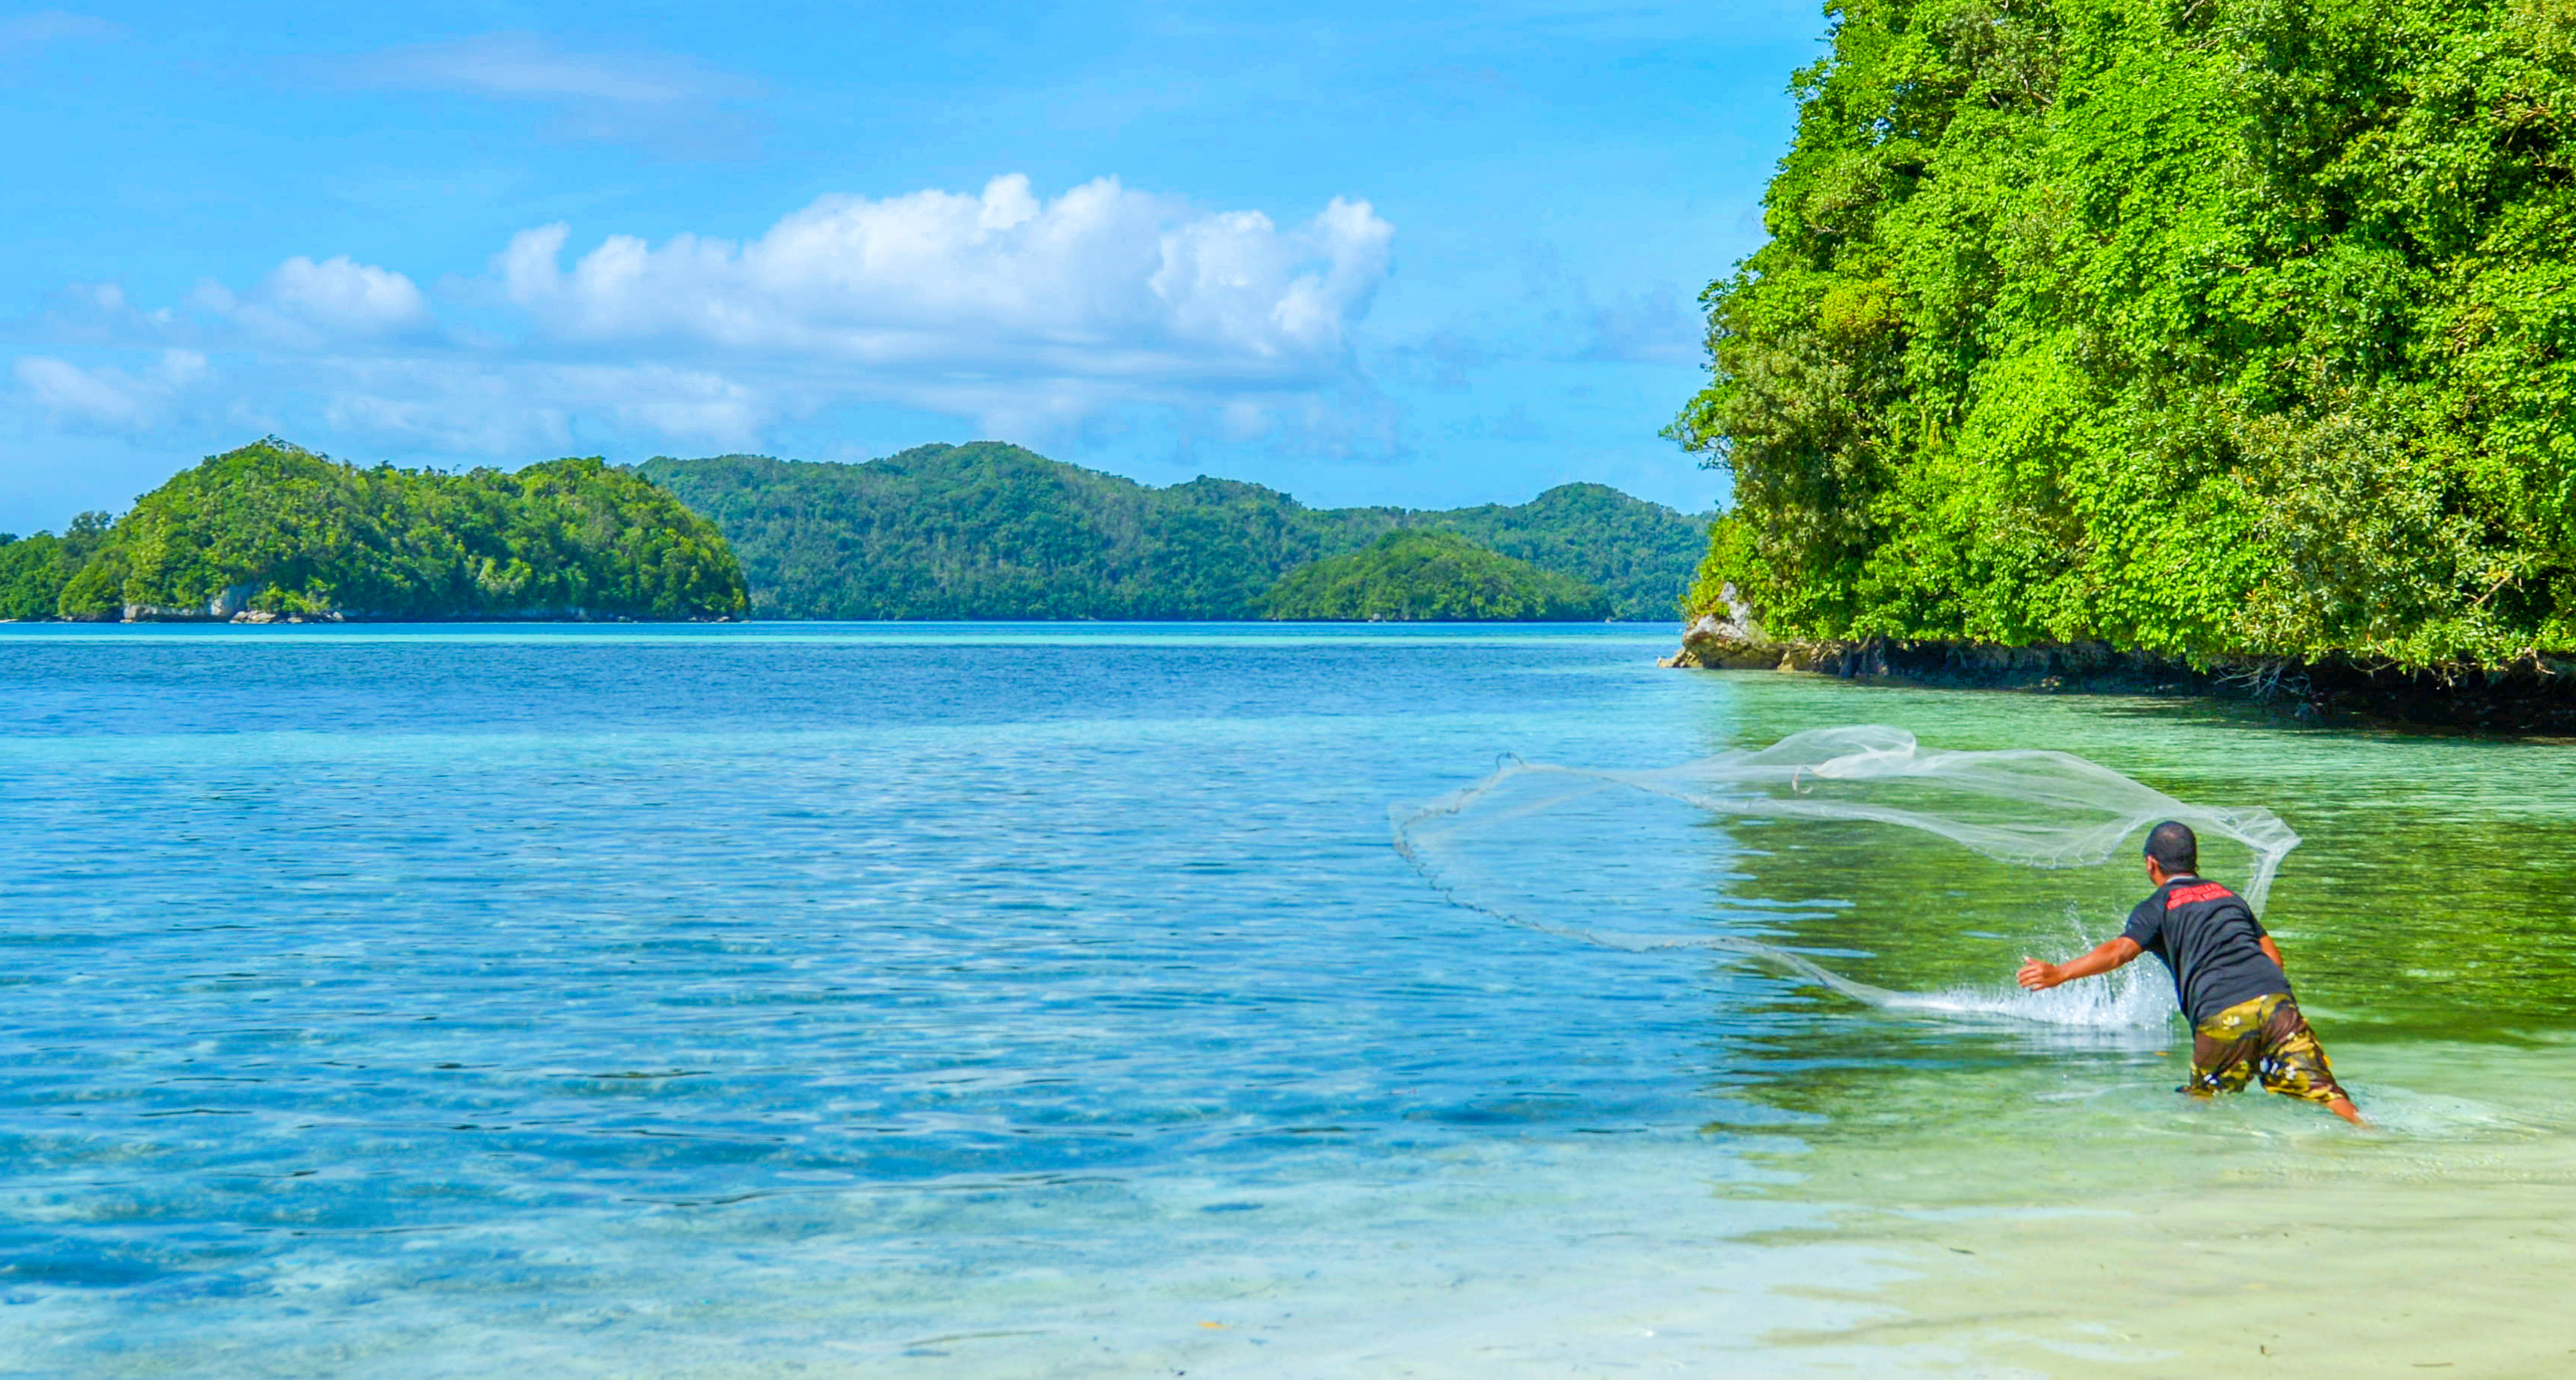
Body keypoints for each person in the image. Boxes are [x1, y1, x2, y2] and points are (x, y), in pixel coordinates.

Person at [2016, 820, 2366, 1126]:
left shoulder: (2157, 905)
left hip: (2222, 1011)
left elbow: (2120, 951)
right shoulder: (2229, 897)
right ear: (2193, 861)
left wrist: (2059, 973)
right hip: (2277, 1003)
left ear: (2151, 864)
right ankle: (2372, 1137)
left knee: (2201, 1102)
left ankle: (2202, 1178)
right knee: (2327, 1093)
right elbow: (2274, 958)